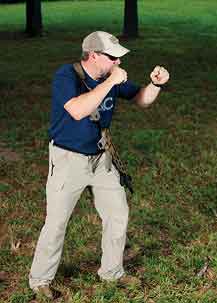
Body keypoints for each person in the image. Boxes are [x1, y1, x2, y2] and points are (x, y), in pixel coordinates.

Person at [29, 31, 169, 298]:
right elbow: (78, 110)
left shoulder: (110, 77)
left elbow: (142, 99)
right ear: (93, 55)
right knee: (57, 222)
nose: (118, 63)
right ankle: (40, 280)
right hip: (68, 159)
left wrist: (155, 85)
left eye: (118, 58)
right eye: (113, 57)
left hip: (101, 158)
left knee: (118, 215)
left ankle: (112, 273)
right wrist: (111, 82)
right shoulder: (66, 76)